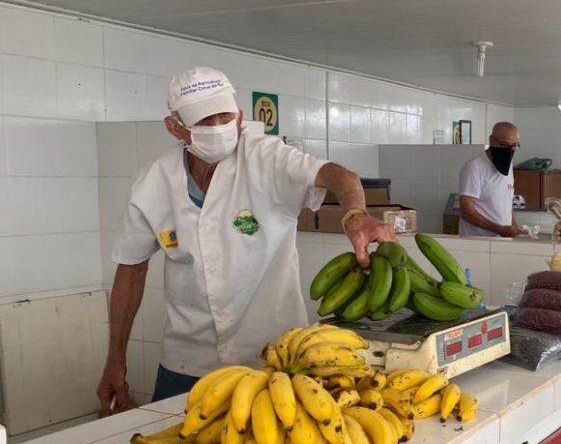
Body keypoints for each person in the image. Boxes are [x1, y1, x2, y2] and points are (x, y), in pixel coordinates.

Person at [96, 67, 395, 415]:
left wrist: (354, 213)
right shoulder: (153, 183)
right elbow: (130, 271)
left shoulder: (268, 159)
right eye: (204, 120)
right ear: (175, 127)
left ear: (239, 116)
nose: (217, 126)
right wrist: (115, 358)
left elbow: (338, 175)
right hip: (186, 360)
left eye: (225, 115)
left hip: (273, 356)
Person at [458, 122, 521, 237]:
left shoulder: (508, 166)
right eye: (504, 145)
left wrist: (514, 228)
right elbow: (467, 211)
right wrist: (498, 229)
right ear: (492, 140)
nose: (509, 150)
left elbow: (506, 202)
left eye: (514, 146)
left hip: (501, 241)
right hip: (477, 242)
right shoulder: (474, 168)